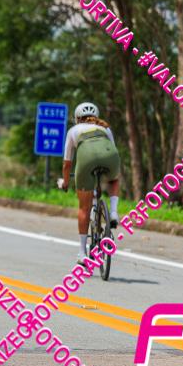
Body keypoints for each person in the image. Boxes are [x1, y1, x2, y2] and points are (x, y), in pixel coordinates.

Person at [58, 102, 121, 261]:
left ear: (77, 118)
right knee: (114, 179)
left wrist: (65, 182)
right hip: (110, 157)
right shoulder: (105, 127)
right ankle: (114, 212)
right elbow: (113, 149)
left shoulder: (73, 131)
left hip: (87, 160)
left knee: (84, 208)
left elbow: (67, 163)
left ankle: (82, 252)